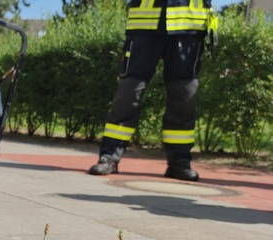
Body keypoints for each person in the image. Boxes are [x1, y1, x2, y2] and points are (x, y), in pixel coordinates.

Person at [88, 0, 218, 181]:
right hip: (144, 26)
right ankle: (109, 157)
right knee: (129, 92)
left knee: (184, 97)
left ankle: (179, 163)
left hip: (188, 30)